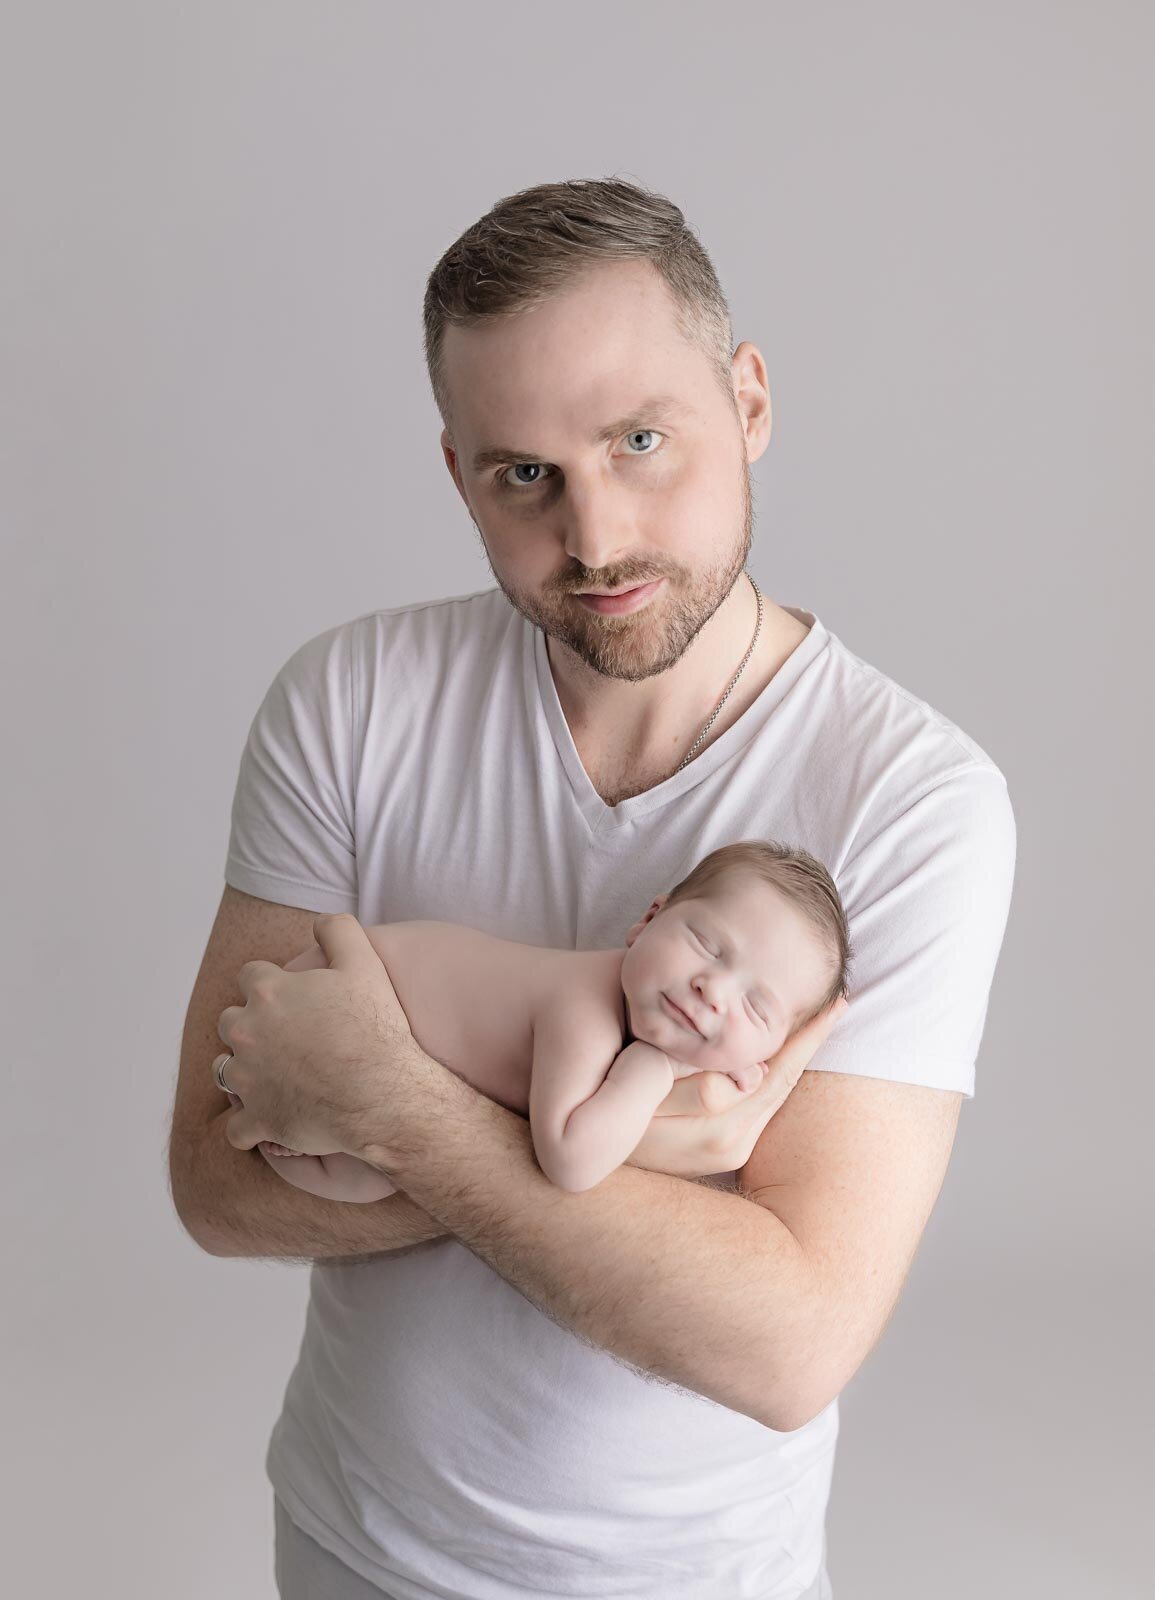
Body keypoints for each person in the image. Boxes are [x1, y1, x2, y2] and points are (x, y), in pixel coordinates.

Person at [174, 177, 1016, 1600]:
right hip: (349, 1548)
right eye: (524, 476)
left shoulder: (914, 801)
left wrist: (390, 1106)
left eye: (640, 440)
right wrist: (654, 1156)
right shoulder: (351, 701)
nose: (597, 535)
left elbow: (787, 1341)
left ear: (745, 401)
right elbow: (214, 1182)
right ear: (457, 476)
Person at [246, 838, 854, 1199]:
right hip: (322, 996)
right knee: (373, 1179)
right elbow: (571, 1162)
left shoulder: (616, 1011)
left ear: (763, 1057)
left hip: (351, 1010)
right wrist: (654, 1068)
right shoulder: (582, 1007)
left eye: (756, 1006)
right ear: (649, 919)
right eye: (704, 942)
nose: (713, 988)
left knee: (384, 1181)